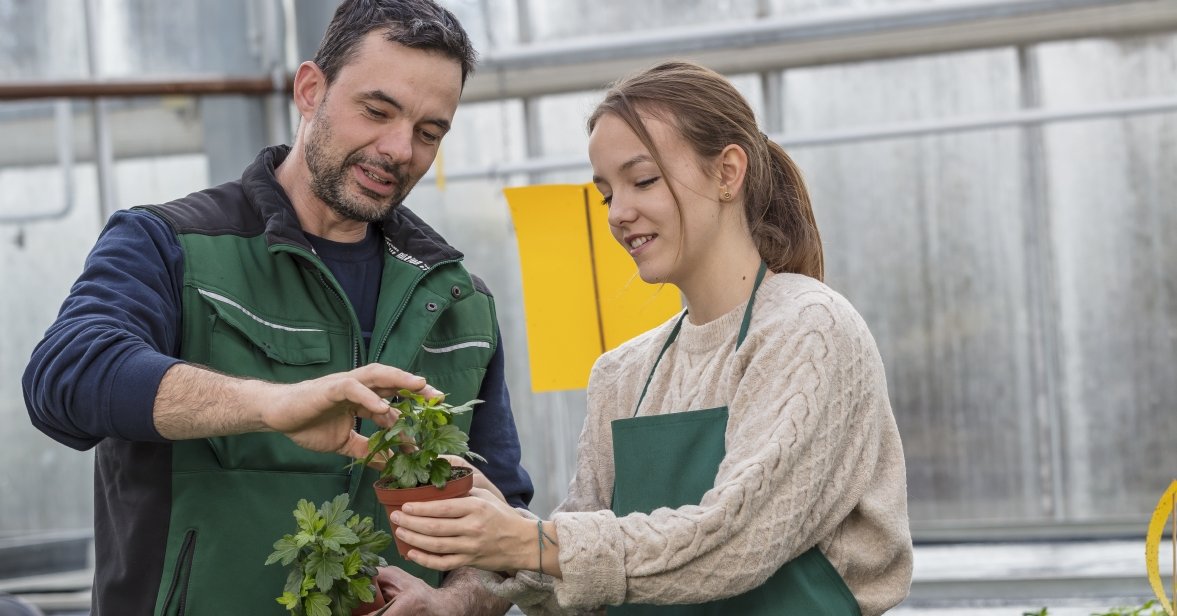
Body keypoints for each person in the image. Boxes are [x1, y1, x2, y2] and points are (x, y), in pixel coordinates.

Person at [21, 1, 532, 614]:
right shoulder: (169, 245)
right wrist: (273, 404)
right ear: (311, 90)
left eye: (429, 132)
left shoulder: (458, 301)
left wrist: (456, 604)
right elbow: (66, 378)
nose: (400, 149)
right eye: (377, 111)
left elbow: (507, 521)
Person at [387, 61, 914, 615]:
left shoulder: (808, 329)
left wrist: (527, 541)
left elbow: (736, 543)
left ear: (727, 172)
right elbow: (581, 588)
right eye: (606, 193)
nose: (619, 213)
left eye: (643, 180)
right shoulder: (622, 373)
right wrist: (477, 556)